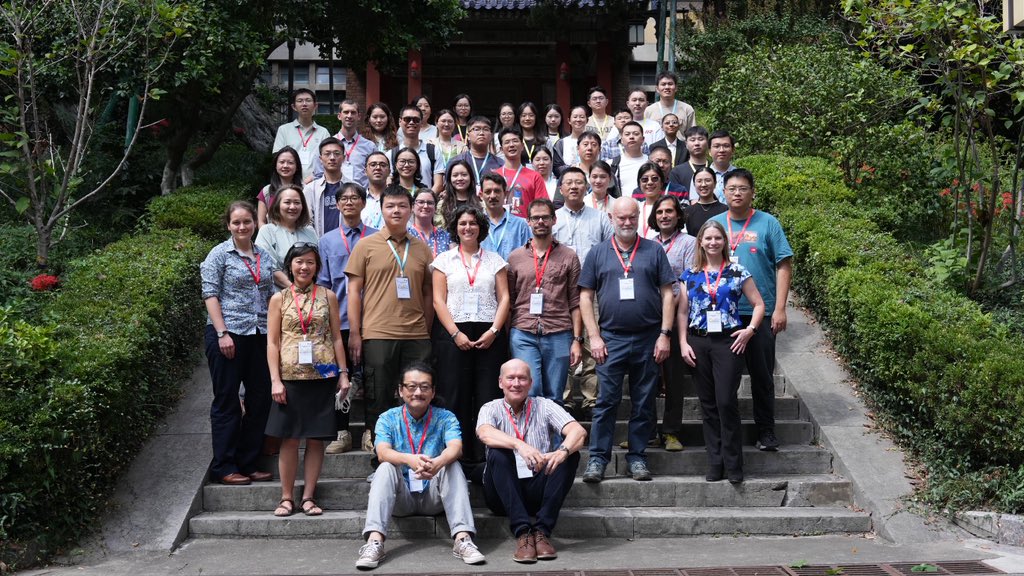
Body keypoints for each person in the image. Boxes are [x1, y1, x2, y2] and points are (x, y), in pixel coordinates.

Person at [579, 197, 676, 483]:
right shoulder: (597, 253)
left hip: (648, 338)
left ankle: (637, 457)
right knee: (606, 401)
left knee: (644, 401)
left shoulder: (654, 250)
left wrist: (664, 335)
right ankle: (597, 459)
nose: (626, 222)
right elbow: (585, 296)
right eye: (620, 217)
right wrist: (593, 336)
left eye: (631, 217)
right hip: (610, 339)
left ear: (639, 218)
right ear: (610, 218)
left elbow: (668, 293)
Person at [356, 363, 485, 570]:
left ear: (433, 392)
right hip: (401, 497)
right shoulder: (387, 418)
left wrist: (437, 463)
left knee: (452, 465)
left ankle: (463, 539)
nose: (418, 392)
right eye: (412, 386)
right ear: (400, 390)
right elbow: (382, 452)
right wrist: (409, 459)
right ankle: (374, 542)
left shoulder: (446, 417)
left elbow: (456, 448)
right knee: (385, 467)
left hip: (434, 496)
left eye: (425, 387)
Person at [346, 185, 434, 453]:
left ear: (411, 210)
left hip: (417, 335)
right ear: (381, 210)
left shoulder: (422, 248)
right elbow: (353, 291)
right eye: (390, 206)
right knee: (379, 395)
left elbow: (429, 293)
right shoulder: (365, 245)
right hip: (378, 333)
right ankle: (379, 450)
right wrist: (355, 332)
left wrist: (426, 329)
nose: (396, 211)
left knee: (417, 395)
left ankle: (415, 449)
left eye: (402, 206)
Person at [711, 169, 793, 452]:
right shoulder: (715, 224)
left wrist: (780, 308)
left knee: (762, 375)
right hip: (724, 313)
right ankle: (725, 433)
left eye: (743, 188)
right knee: (725, 378)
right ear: (724, 191)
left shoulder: (768, 223)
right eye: (731, 188)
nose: (737, 193)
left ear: (752, 192)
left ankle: (766, 430)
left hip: (761, 311)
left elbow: (784, 264)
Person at [677, 220, 765, 483]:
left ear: (724, 242)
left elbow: (758, 304)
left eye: (718, 238)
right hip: (698, 341)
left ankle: (733, 463)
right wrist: (682, 343)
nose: (713, 242)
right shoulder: (690, 274)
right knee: (708, 405)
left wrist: (750, 330)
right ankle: (715, 462)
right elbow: (682, 311)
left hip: (729, 342)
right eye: (708, 238)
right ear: (700, 242)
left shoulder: (738, 271)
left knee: (726, 401)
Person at [266, 243, 351, 516]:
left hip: (322, 375)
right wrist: (274, 380)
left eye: (310, 262)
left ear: (317, 267)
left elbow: (337, 336)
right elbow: (272, 342)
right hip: (289, 377)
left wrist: (343, 373)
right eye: (299, 262)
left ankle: (309, 497)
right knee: (289, 439)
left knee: (316, 439)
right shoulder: (279, 299)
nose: (304, 267)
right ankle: (286, 497)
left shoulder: (328, 296)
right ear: (290, 265)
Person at [476, 359, 587, 563]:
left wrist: (562, 451)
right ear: (501, 382)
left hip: (537, 486)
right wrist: (519, 445)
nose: (516, 383)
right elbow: (485, 434)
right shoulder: (490, 408)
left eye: (522, 378)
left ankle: (542, 532)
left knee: (570, 455)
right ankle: (523, 533)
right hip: (501, 492)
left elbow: (578, 432)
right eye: (511, 378)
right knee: (497, 453)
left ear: (530, 382)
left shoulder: (545, 406)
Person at [200, 201, 276, 486]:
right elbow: (210, 295)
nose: (243, 227)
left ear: (254, 224)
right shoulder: (219, 254)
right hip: (227, 335)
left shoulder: (263, 255)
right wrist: (222, 333)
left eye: (247, 221)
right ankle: (224, 466)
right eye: (237, 223)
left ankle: (248, 461)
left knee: (260, 399)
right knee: (227, 401)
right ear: (228, 225)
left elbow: (270, 292)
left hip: (259, 334)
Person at [431, 205, 510, 463]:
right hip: (453, 333)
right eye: (463, 223)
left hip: (489, 333)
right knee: (455, 394)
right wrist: (455, 334)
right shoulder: (444, 261)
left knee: (488, 395)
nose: (468, 228)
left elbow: (505, 298)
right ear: (455, 227)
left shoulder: (494, 260)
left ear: (481, 228)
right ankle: (457, 455)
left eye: (473, 223)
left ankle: (487, 455)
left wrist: (494, 331)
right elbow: (438, 301)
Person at [318, 183, 378, 455]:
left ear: (364, 204)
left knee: (373, 378)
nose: (350, 202)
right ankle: (341, 431)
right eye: (344, 199)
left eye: (355, 198)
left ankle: (371, 432)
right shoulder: (327, 241)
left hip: (375, 320)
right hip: (338, 320)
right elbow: (323, 284)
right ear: (338, 205)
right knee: (338, 377)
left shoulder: (377, 237)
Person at [507, 199, 582, 403]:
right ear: (528, 222)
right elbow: (509, 301)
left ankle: (554, 436)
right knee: (530, 390)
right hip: (523, 332)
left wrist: (577, 340)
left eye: (545, 217)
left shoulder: (569, 256)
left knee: (555, 396)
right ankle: (530, 437)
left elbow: (575, 302)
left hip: (558, 332)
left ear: (554, 220)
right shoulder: (515, 258)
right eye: (535, 218)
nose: (540, 221)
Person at [551, 167, 613, 416]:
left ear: (586, 187)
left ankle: (590, 399)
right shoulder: (553, 218)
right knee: (563, 343)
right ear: (561, 188)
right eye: (569, 183)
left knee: (591, 343)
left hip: (592, 290)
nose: (574, 186)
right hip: (558, 291)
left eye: (579, 182)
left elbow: (611, 250)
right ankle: (564, 398)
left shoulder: (599, 218)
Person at [647, 195, 697, 452]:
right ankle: (645, 431)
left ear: (679, 215)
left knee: (674, 377)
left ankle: (671, 431)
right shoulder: (646, 244)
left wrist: (681, 316)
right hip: (647, 318)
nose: (664, 215)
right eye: (660, 212)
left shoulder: (689, 243)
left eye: (669, 211)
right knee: (645, 378)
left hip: (677, 317)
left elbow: (688, 282)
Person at [255, 184, 318, 288]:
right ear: (277, 205)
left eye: (297, 202)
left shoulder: (310, 232)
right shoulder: (267, 231)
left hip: (310, 295)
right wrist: (296, 291)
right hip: (278, 296)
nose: (292, 207)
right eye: (287, 202)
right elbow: (269, 268)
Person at [273, 88, 330, 179]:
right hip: (289, 183)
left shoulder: (323, 132)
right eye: (300, 101)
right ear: (294, 106)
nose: (304, 104)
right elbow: (278, 158)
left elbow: (327, 160)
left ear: (315, 105)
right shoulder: (284, 130)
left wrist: (311, 179)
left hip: (315, 184)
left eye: (308, 100)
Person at [495, 127, 549, 218]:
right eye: (507, 142)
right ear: (501, 149)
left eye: (515, 141)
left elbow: (542, 207)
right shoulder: (494, 176)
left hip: (525, 229)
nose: (511, 145)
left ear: (522, 146)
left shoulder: (535, 176)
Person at [480, 173, 531, 261]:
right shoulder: (476, 224)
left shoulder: (521, 225)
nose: (492, 196)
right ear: (481, 195)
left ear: (506, 194)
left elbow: (529, 257)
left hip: (512, 274)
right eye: (488, 192)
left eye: (497, 191)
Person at [390, 105, 442, 192]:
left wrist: (424, 200)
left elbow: (438, 184)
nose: (411, 122)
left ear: (421, 123)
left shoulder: (433, 151)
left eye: (416, 120)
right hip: (399, 203)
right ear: (400, 121)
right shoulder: (392, 154)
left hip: (426, 204)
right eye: (407, 119)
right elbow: (389, 181)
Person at [303, 137, 345, 236]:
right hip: (319, 246)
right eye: (327, 154)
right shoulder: (310, 189)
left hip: (347, 246)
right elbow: (307, 223)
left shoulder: (352, 187)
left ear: (344, 158)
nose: (332, 158)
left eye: (337, 153)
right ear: (321, 159)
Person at [451, 116, 504, 190]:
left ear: (491, 136)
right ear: (468, 136)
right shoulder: (456, 162)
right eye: (476, 129)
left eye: (486, 129)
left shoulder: (501, 164)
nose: (481, 133)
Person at [332, 100, 377, 187]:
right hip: (336, 195)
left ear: (359, 116)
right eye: (346, 112)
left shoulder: (370, 146)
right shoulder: (329, 145)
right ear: (339, 116)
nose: (349, 116)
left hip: (362, 196)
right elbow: (319, 173)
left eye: (353, 112)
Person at [257, 147, 302, 226]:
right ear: (275, 165)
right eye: (282, 162)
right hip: (272, 237)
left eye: (290, 163)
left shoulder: (306, 190)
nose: (285, 166)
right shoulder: (266, 191)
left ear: (297, 166)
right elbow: (261, 221)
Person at [669, 126, 711, 204]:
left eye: (701, 139)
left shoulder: (714, 167)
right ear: (686, 144)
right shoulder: (677, 172)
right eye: (692, 140)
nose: (697, 143)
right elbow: (674, 201)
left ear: (708, 143)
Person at [437, 159, 482, 228]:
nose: (460, 178)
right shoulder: (442, 205)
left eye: (464, 175)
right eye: (455, 175)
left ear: (471, 177)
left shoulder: (481, 204)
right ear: (450, 179)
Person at [684, 167, 727, 236]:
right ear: (694, 185)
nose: (703, 184)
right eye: (699, 181)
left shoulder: (725, 210)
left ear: (715, 183)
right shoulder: (688, 212)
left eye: (707, 180)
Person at [409, 189, 451, 259]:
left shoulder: (446, 235)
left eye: (430, 203)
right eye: (421, 202)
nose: (425, 206)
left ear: (435, 208)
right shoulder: (406, 234)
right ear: (413, 207)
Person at [551, 105, 588, 176]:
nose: (578, 119)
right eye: (575, 117)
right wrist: (572, 168)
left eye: (582, 117)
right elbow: (556, 168)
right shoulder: (561, 143)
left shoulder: (593, 142)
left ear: (587, 120)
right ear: (569, 121)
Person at [614, 121, 649, 198]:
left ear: (643, 139)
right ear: (621, 140)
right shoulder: (613, 164)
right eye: (627, 134)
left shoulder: (650, 162)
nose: (631, 137)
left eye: (636, 134)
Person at [428, 109, 466, 177]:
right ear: (436, 123)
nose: (446, 124)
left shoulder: (462, 146)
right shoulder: (429, 144)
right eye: (443, 121)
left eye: (450, 121)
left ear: (454, 124)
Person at [636, 163, 668, 240]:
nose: (650, 183)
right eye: (644, 180)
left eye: (654, 179)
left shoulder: (669, 207)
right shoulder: (636, 208)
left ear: (661, 182)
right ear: (639, 184)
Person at [361, 151, 389, 229]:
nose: (378, 168)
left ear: (389, 171)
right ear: (365, 171)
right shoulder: (358, 199)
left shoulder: (396, 199)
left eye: (382, 165)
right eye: (373, 165)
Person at [708, 130, 738, 203]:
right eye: (717, 146)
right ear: (709, 151)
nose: (721, 150)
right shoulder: (701, 177)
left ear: (733, 150)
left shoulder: (740, 176)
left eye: (726, 146)